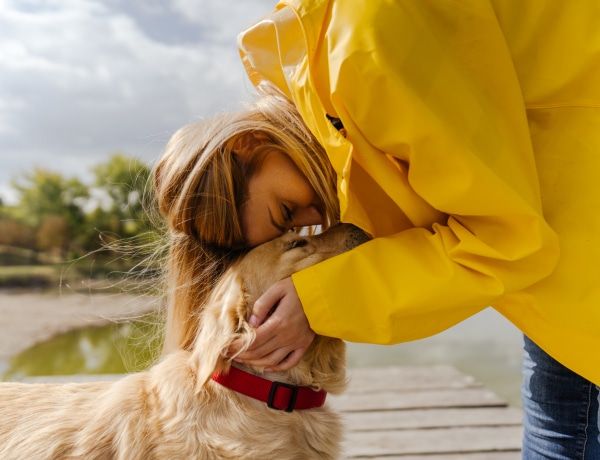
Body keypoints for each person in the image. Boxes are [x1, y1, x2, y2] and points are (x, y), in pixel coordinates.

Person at [153, 1, 600, 458]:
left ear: (248, 144)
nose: (311, 220)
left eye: (286, 211)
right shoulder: (332, 78)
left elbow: (510, 238)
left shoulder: (367, 58)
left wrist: (323, 301)